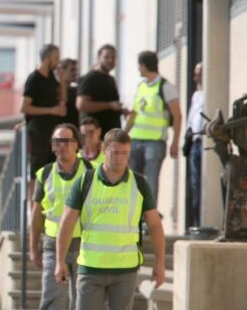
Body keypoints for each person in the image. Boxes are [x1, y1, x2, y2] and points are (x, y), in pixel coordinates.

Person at [55, 129, 166, 310]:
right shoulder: (85, 182)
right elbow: (66, 223)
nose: (120, 158)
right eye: (115, 152)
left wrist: (160, 263)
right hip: (90, 268)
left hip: (125, 270)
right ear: (104, 149)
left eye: (125, 153)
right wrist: (59, 261)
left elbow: (154, 225)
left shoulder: (139, 184)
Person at [30, 123, 93, 310]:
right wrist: (33, 248)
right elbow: (36, 214)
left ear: (76, 144)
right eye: (57, 141)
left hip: (85, 245)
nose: (62, 146)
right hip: (52, 245)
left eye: (66, 141)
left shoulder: (92, 172)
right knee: (52, 300)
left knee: (82, 302)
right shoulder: (45, 173)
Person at [125, 50, 182, 204]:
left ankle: (148, 220)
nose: (138, 69)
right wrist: (123, 135)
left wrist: (175, 143)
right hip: (136, 140)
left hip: (155, 142)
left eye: (139, 65)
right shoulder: (141, 86)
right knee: (133, 181)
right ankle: (134, 217)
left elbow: (177, 115)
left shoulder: (165, 87)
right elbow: (134, 114)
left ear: (144, 66)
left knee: (150, 182)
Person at [22, 44, 67, 202]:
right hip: (38, 131)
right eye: (55, 58)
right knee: (37, 171)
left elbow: (62, 101)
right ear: (47, 59)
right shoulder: (34, 79)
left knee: (51, 168)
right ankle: (33, 209)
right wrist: (51, 110)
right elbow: (25, 107)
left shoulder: (51, 77)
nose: (58, 62)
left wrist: (62, 81)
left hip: (52, 130)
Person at [77, 44, 127, 137]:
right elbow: (81, 104)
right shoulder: (90, 78)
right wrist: (109, 105)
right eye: (106, 57)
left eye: (113, 57)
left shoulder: (111, 79)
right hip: (94, 137)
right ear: (99, 58)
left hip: (111, 136)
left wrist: (121, 110)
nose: (110, 60)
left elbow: (110, 104)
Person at [185, 63, 204, 227]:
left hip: (206, 142)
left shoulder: (210, 93)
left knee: (204, 183)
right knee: (195, 184)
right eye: (196, 73)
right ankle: (197, 222)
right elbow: (192, 119)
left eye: (200, 73)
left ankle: (205, 221)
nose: (196, 77)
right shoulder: (196, 95)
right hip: (195, 143)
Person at [57, 58, 81, 127]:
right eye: (72, 70)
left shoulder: (76, 90)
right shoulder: (55, 90)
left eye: (76, 70)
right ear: (62, 71)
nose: (75, 73)